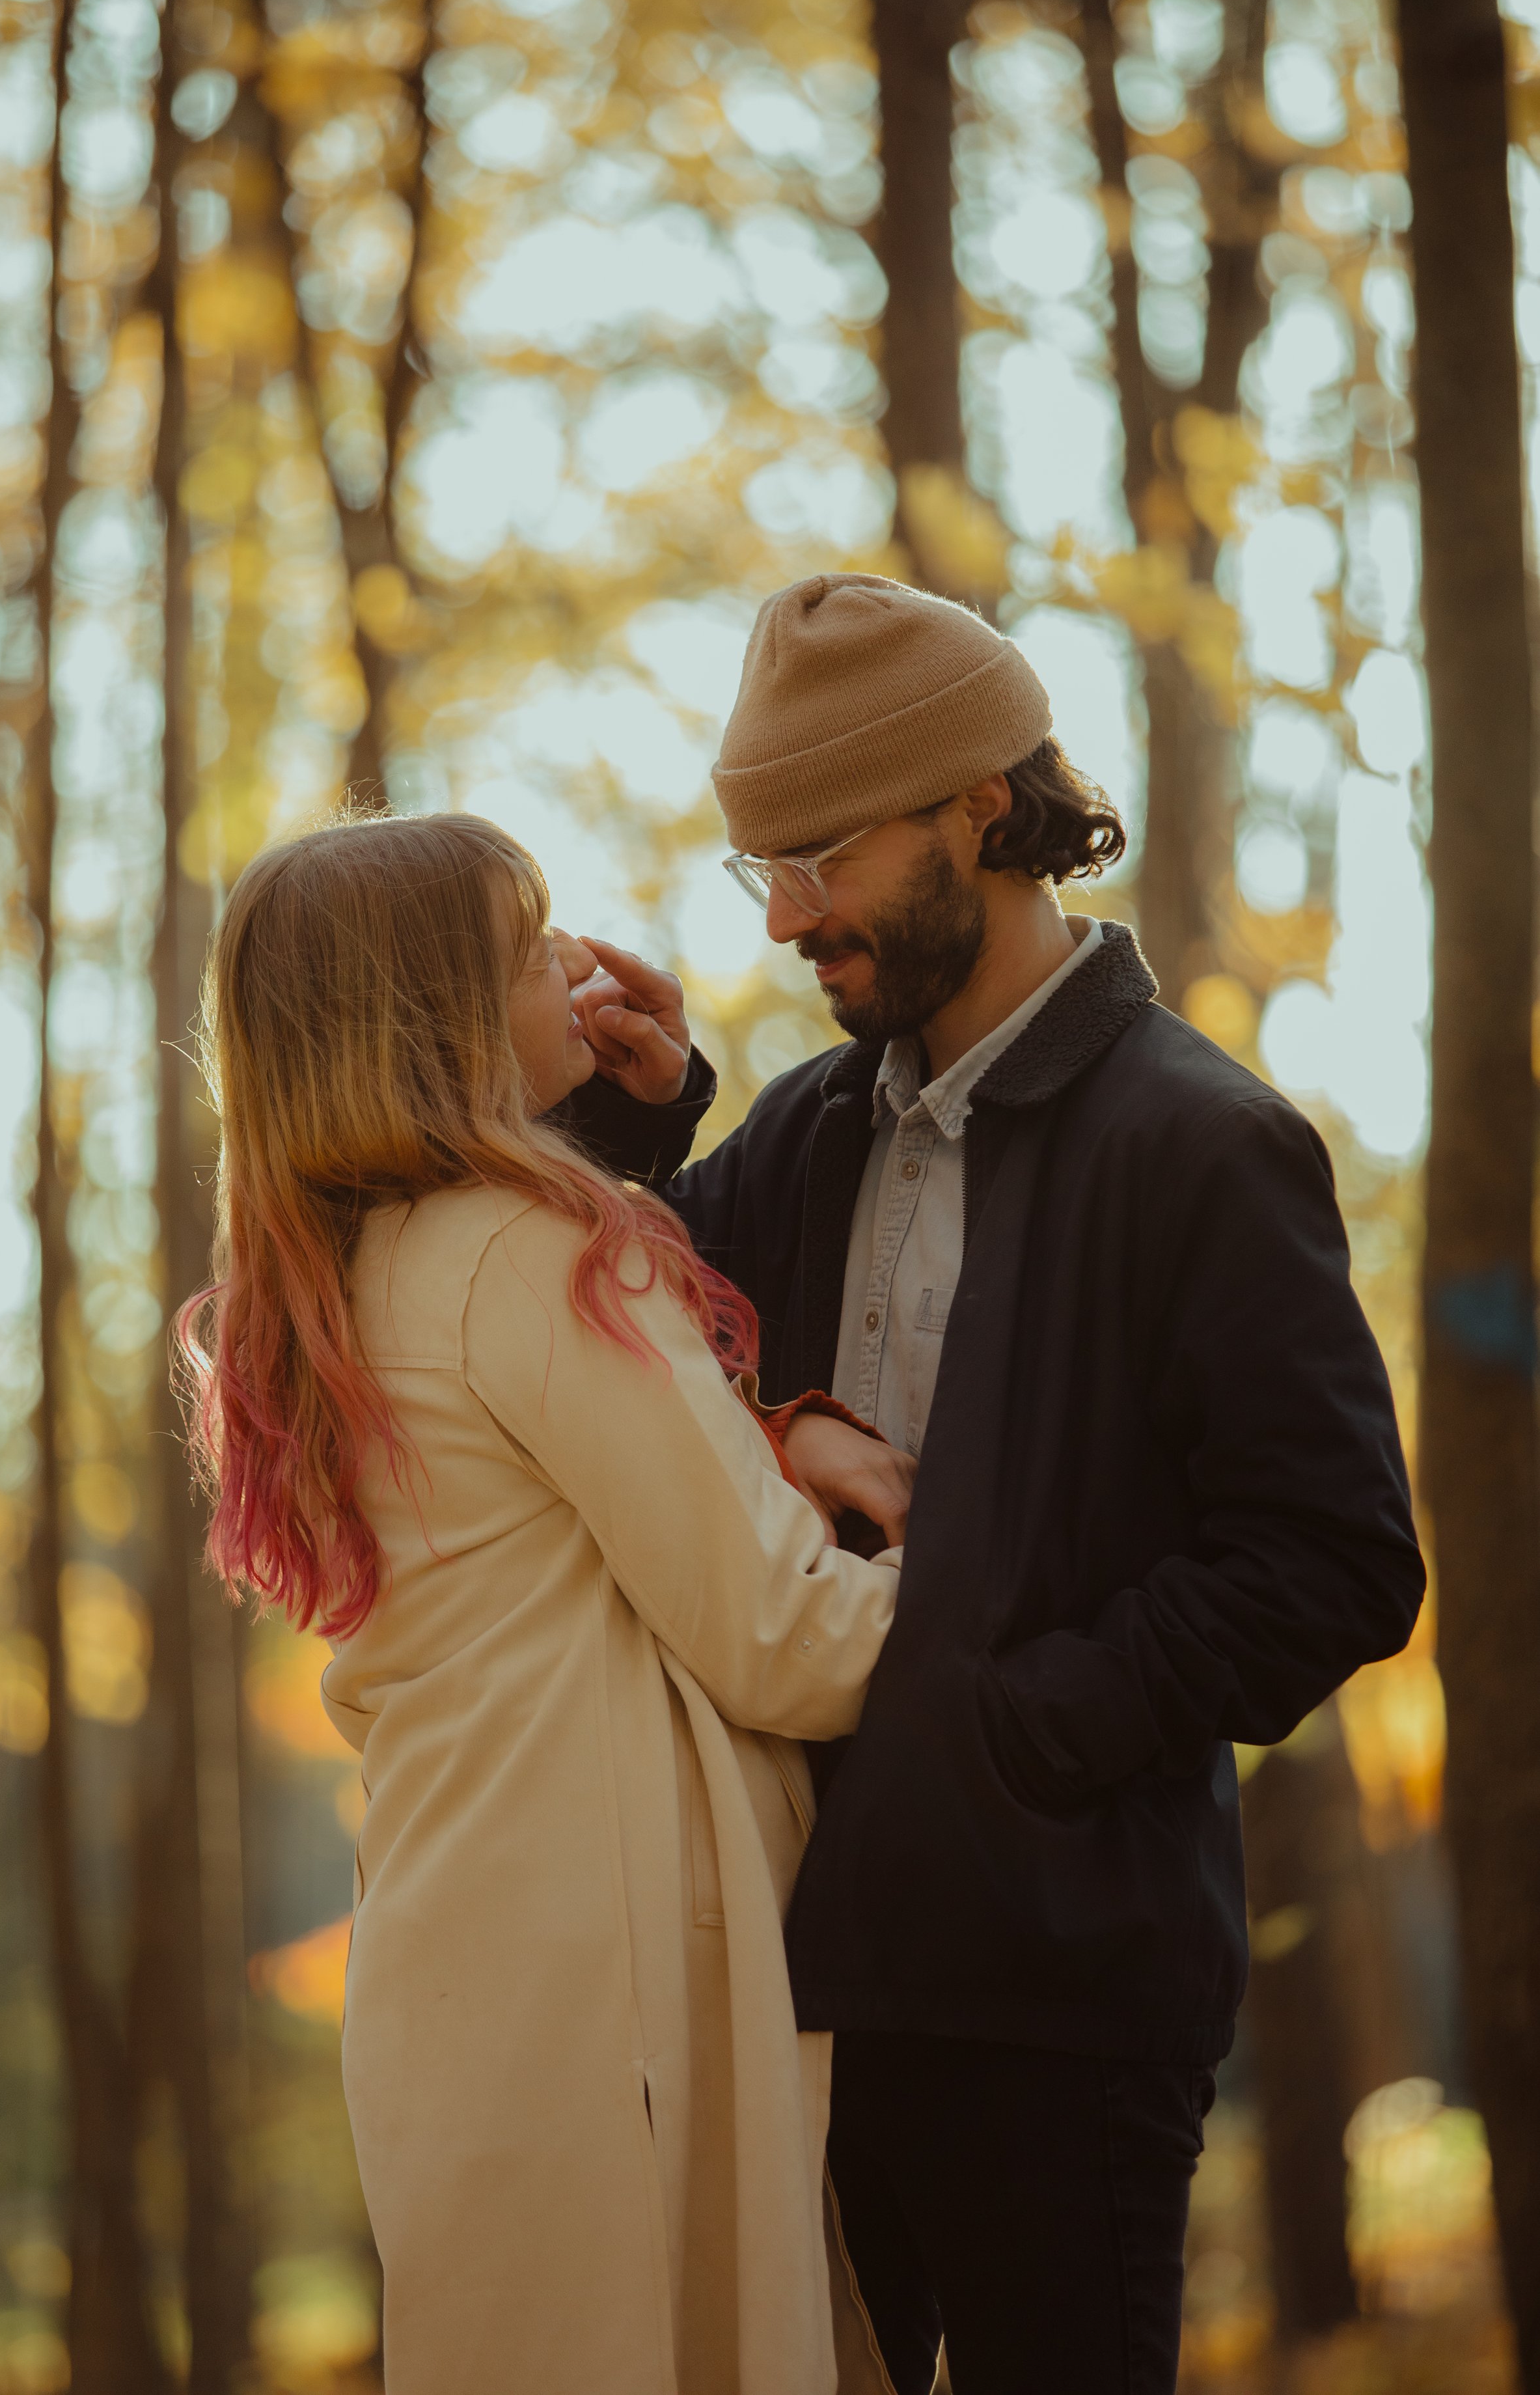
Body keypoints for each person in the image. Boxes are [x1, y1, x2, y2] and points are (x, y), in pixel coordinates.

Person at [560, 572, 1427, 2395]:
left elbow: (1337, 1558)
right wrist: (634, 1124)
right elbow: (629, 1356)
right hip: (795, 1985)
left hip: (1061, 1999)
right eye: (761, 873)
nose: (789, 916)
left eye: (821, 857)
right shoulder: (797, 1130)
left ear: (979, 802)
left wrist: (1024, 1721)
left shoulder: (1205, 1144)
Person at [174, 812, 919, 2395]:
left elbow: (552, 1536)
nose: (583, 965)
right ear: (431, 1021)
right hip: (623, 1986)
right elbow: (786, 1640)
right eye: (534, 951)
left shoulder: (332, 1284)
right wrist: (1006, 1547)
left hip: (457, 1976)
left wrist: (769, 1445)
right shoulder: (531, 1254)